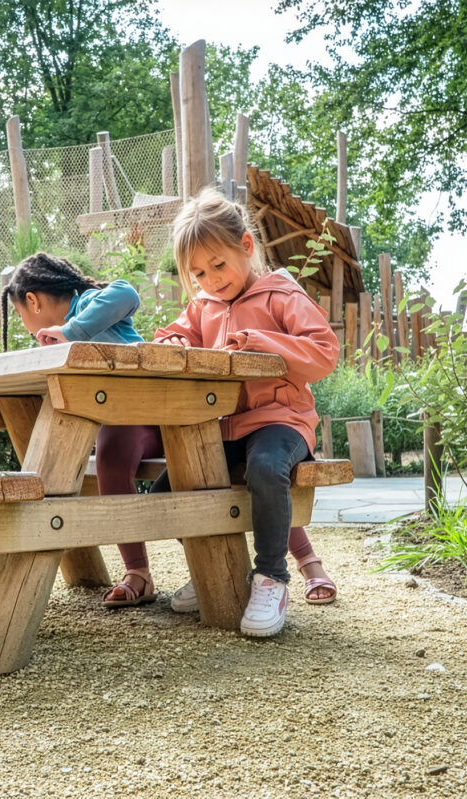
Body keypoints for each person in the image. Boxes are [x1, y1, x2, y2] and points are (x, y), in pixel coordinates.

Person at [147, 187, 340, 636]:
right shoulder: (202, 305)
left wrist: (263, 340)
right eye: (198, 273)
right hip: (225, 426)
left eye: (219, 264)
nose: (212, 279)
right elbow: (172, 334)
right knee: (164, 492)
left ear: (246, 247)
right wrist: (172, 341)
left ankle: (271, 577)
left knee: (266, 467)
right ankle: (215, 565)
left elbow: (324, 353)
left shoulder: (280, 294)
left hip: (281, 422)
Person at [0, 252, 162, 607]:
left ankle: (138, 571)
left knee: (109, 458)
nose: (23, 323)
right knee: (98, 460)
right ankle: (138, 572)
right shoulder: (52, 339)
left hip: (155, 413)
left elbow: (126, 294)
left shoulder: (86, 304)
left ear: (32, 300)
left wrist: (71, 331)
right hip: (116, 421)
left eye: (19, 314)